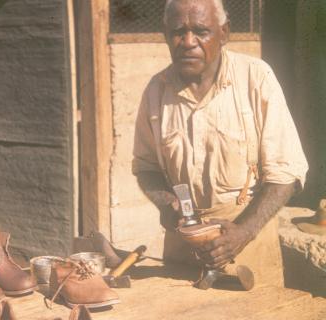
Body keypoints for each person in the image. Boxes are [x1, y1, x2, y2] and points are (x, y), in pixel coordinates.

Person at [132, 0, 308, 286]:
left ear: (224, 33)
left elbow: (286, 173)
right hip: (184, 249)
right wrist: (166, 202)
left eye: (201, 31)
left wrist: (242, 232)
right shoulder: (156, 90)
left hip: (248, 247)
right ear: (166, 35)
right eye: (178, 32)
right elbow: (146, 167)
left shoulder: (256, 78)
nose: (188, 42)